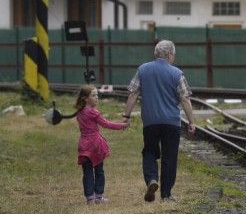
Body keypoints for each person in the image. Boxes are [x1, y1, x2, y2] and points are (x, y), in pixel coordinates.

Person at [123, 40, 196, 202]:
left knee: (149, 151)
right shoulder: (177, 73)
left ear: (156, 54)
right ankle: (166, 194)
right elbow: (185, 99)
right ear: (169, 54)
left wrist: (126, 116)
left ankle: (151, 179)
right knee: (169, 156)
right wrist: (191, 122)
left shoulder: (142, 70)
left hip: (150, 121)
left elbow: (133, 94)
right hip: (171, 122)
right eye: (173, 55)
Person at [75, 85, 128, 204]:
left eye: (97, 95)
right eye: (93, 95)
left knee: (87, 172)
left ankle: (89, 197)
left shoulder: (80, 112)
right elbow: (106, 124)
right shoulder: (93, 112)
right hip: (95, 145)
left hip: (83, 145)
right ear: (85, 98)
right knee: (99, 170)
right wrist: (122, 125)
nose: (96, 98)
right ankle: (99, 196)